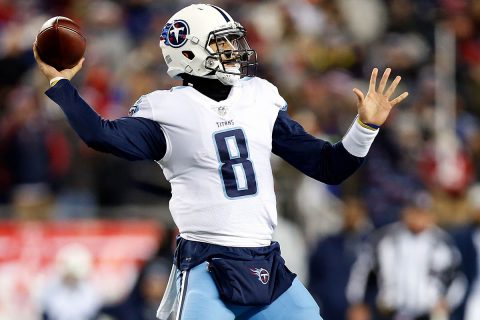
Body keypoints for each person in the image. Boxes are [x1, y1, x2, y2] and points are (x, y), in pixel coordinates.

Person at [33, 4, 408, 320]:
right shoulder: (168, 110)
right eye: (223, 42)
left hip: (267, 262)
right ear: (190, 50)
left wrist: (366, 126)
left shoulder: (258, 98)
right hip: (206, 264)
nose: (235, 49)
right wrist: (62, 85)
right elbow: (101, 135)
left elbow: (331, 167)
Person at [346, 191, 466, 320]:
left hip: (426, 313)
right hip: (388, 312)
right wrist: (357, 302)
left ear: (432, 215)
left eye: (423, 212)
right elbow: (361, 270)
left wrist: (448, 301)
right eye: (415, 211)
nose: (419, 217)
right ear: (405, 212)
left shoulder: (443, 242)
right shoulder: (384, 238)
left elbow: (458, 278)